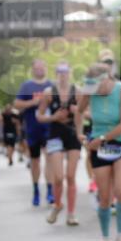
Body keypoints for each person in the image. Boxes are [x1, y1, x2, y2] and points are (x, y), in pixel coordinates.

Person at [76, 61, 121, 241]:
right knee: (105, 196)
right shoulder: (90, 89)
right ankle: (105, 238)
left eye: (98, 85)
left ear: (108, 79)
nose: (96, 90)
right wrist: (79, 134)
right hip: (98, 146)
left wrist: (102, 139)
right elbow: (78, 111)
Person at [37, 62, 83, 225]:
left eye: (65, 72)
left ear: (70, 73)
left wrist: (78, 117)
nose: (63, 75)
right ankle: (57, 205)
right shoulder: (49, 92)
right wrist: (53, 117)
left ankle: (71, 214)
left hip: (72, 134)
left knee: (71, 176)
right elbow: (39, 116)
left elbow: (85, 113)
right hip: (55, 134)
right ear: (56, 74)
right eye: (60, 72)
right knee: (58, 177)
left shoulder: (77, 91)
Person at [14, 59, 54, 206]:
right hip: (32, 128)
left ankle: (50, 191)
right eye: (36, 68)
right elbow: (17, 104)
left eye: (41, 67)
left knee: (49, 159)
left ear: (45, 68)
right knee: (35, 161)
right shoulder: (26, 86)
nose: (39, 70)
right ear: (32, 70)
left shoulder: (51, 85)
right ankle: (36, 190)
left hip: (49, 128)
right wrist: (33, 102)